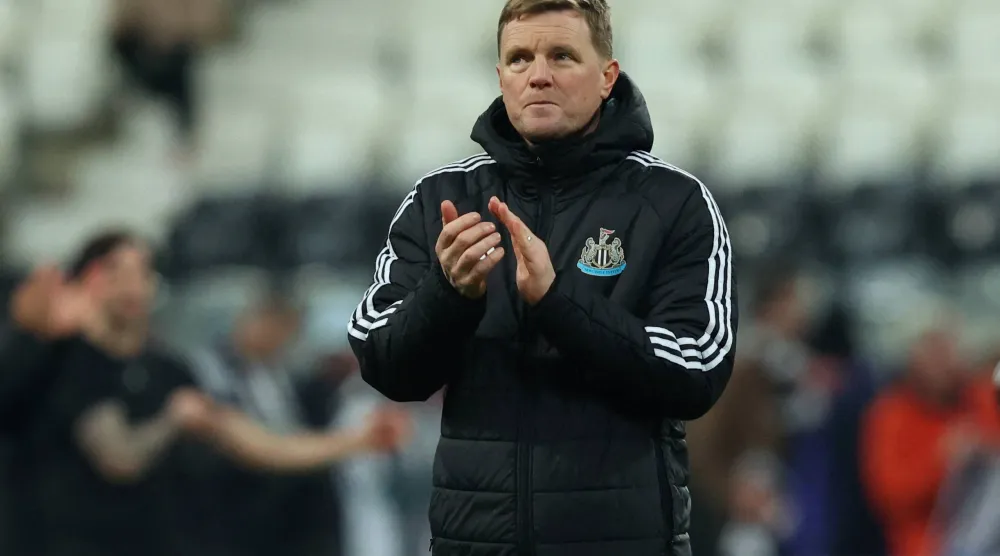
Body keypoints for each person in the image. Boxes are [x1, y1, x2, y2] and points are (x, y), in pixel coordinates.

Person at [346, 1, 738, 554]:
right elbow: (384, 362)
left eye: (562, 56)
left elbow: (697, 368)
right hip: (473, 544)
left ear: (607, 78)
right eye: (520, 58)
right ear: (501, 76)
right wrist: (448, 295)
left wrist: (559, 302)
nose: (539, 74)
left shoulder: (674, 204)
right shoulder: (442, 201)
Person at [4, 230, 409, 556]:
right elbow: (119, 458)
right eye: (117, 272)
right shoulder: (64, 363)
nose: (134, 285)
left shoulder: (166, 370)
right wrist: (171, 421)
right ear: (91, 280)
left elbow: (251, 440)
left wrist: (355, 442)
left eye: (143, 272)